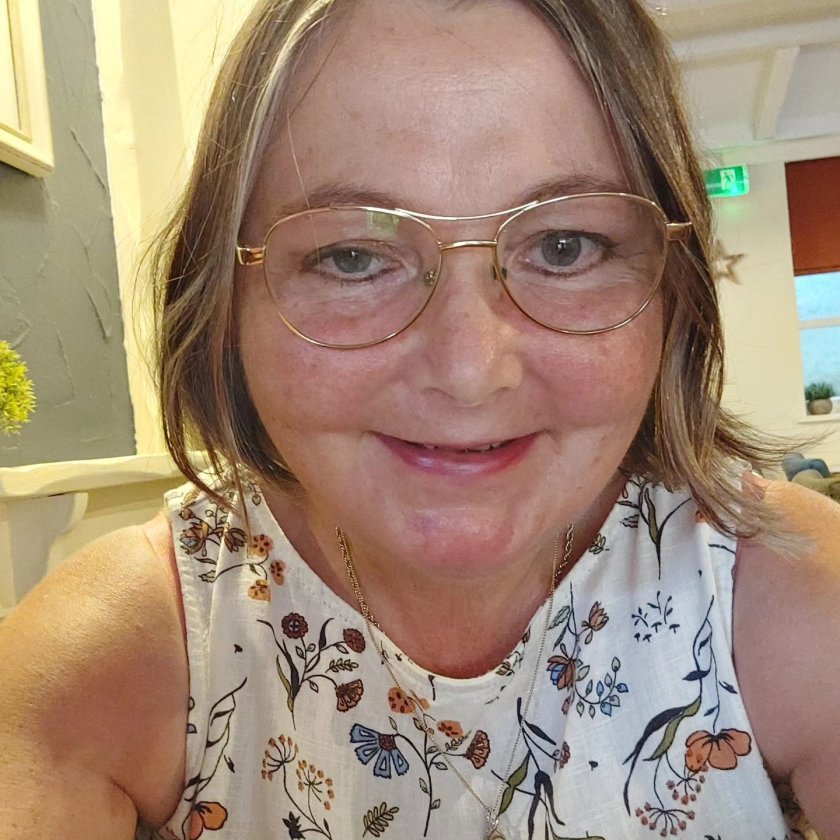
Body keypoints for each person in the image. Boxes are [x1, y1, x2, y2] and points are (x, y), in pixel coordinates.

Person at [1, 0, 839, 838]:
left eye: (565, 247)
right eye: (352, 257)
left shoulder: (782, 591)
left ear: (672, 292)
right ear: (224, 303)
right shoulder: (122, 650)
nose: (470, 371)